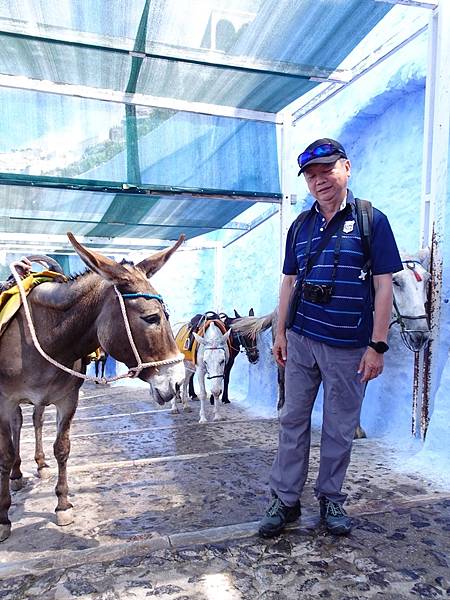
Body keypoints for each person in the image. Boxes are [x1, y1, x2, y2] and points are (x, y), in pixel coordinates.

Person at [258, 138, 403, 538]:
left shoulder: (373, 220)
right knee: (292, 421)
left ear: (347, 168)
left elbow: (384, 285)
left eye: (327, 171)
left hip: (349, 348)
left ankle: (331, 498)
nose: (320, 181)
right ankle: (285, 500)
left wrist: (377, 345)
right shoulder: (300, 226)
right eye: (312, 175)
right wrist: (281, 332)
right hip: (302, 340)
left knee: (339, 427)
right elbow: (288, 282)